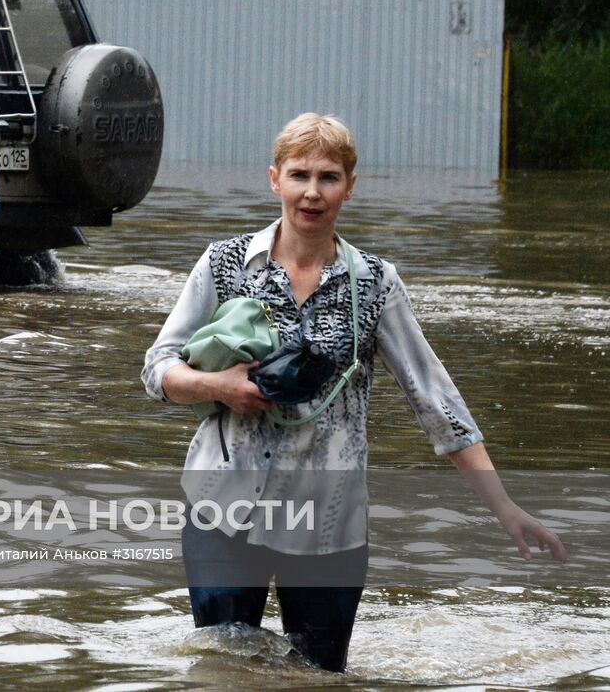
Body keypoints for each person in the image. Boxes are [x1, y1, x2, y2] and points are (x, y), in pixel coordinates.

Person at [140, 112, 565, 673]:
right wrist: (217, 385)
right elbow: (157, 369)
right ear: (275, 180)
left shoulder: (376, 283)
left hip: (328, 520)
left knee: (318, 676)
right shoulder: (222, 265)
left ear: (349, 186)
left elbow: (436, 401)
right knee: (221, 666)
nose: (312, 192)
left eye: (328, 177)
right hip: (224, 505)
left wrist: (504, 506)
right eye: (299, 175)